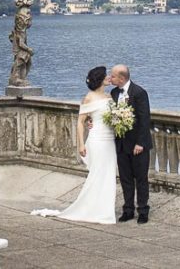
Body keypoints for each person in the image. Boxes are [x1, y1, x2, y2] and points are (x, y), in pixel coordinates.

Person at [30, 66, 118, 223]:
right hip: (97, 140)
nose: (109, 77)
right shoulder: (89, 98)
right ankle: (93, 209)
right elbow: (80, 122)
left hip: (109, 140)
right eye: (106, 76)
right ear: (100, 79)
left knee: (109, 174)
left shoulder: (110, 96)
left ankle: (104, 209)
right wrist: (81, 144)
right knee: (97, 174)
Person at [109, 64, 152, 223]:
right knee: (125, 178)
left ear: (122, 77)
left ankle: (143, 210)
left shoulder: (139, 93)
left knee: (141, 178)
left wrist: (140, 143)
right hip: (121, 144)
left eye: (112, 76)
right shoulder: (113, 93)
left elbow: (144, 119)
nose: (110, 78)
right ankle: (128, 209)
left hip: (138, 145)